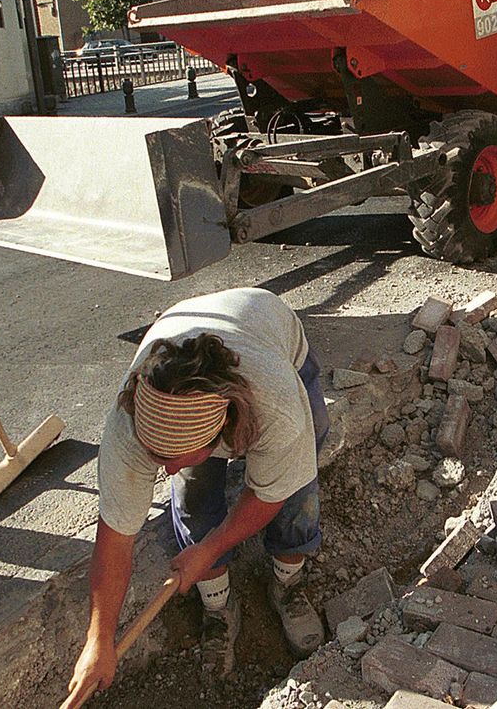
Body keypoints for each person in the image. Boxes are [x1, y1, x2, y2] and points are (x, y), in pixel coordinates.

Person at [67, 287, 328, 702]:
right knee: (190, 494)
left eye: (174, 456)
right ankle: (218, 606)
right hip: (188, 327)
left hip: (270, 332)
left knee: (297, 492)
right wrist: (97, 641)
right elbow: (114, 541)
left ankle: (288, 583)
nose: (164, 468)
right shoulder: (129, 427)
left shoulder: (276, 407)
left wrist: (213, 547)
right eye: (156, 455)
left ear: (220, 433)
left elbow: (269, 495)